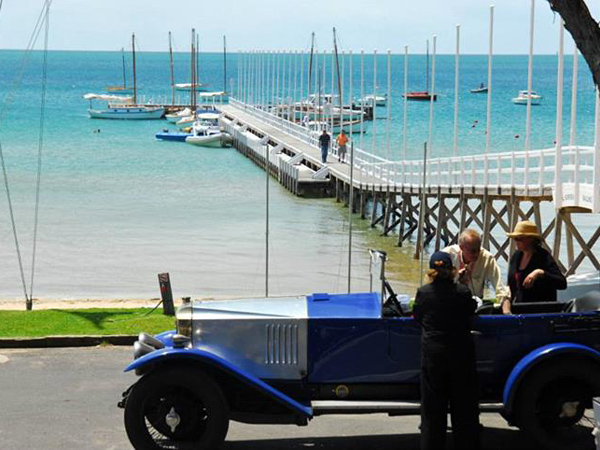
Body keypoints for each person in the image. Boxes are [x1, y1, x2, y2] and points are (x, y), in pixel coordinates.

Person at [414, 251, 480, 450]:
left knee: (433, 411)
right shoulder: (462, 292)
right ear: (452, 270)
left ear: (431, 271)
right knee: (464, 409)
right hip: (461, 355)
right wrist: (464, 282)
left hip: (434, 356)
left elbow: (417, 316)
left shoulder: (424, 293)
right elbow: (471, 310)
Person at [443, 229, 511, 314]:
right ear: (461, 247)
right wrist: (456, 276)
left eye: (478, 249)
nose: (476, 254)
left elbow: (500, 288)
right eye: (473, 251)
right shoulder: (447, 255)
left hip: (474, 306)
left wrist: (507, 312)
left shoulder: (486, 258)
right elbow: (436, 286)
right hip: (448, 305)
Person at [507, 220, 567, 304]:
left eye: (519, 238)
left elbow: (562, 283)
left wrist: (540, 273)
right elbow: (511, 284)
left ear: (531, 238)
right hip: (520, 307)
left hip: (540, 308)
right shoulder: (516, 256)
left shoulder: (543, 256)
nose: (516, 242)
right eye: (515, 239)